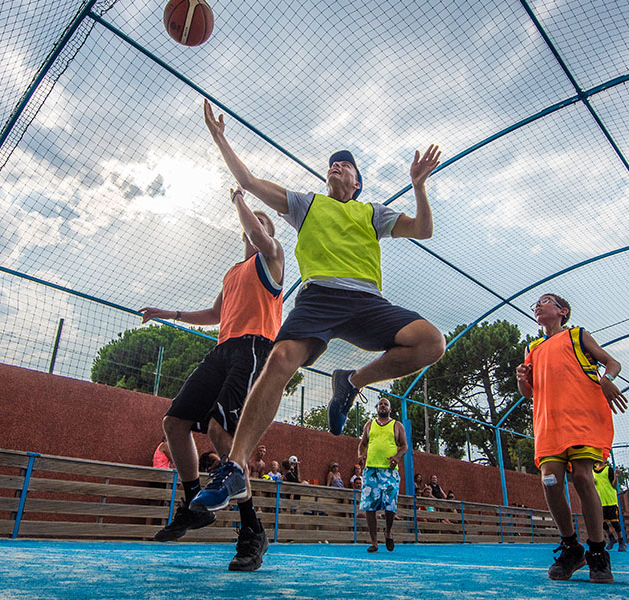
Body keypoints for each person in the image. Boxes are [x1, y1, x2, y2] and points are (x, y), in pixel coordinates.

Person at [190, 100, 446, 520]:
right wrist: (221, 139)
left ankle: (352, 380)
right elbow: (249, 181)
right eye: (332, 164)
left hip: (366, 300)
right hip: (319, 297)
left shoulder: (372, 213)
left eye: (344, 165)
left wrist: (419, 185)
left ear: (357, 180)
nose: (336, 167)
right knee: (280, 359)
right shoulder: (306, 204)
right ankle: (235, 467)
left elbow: (424, 229)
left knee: (433, 343)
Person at [143, 186, 284, 573]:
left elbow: (259, 234)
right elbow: (214, 314)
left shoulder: (272, 258)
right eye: (255, 224)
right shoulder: (232, 273)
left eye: (264, 224)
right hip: (221, 350)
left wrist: (238, 197)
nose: (258, 228)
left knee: (223, 431)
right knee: (174, 422)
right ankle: (193, 503)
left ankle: (252, 531)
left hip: (254, 348)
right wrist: (169, 312)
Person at [515, 293, 628, 584]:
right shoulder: (533, 347)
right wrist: (521, 379)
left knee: (582, 478)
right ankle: (571, 546)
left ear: (563, 311)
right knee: (549, 481)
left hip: (581, 416)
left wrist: (607, 380)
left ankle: (597, 551)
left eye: (546, 300)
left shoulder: (577, 335)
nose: (538, 305)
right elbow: (528, 393)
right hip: (548, 421)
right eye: (536, 304)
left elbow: (612, 363)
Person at [357, 397, 407, 552]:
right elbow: (363, 443)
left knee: (390, 504)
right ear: (377, 408)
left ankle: (389, 531)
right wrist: (361, 455)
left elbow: (404, 446)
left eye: (386, 404)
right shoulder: (369, 424)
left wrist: (397, 458)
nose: (383, 406)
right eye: (380, 404)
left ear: (390, 409)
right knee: (369, 506)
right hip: (371, 470)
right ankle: (374, 542)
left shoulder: (397, 425)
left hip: (389, 471)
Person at [592, 462, 626, 552]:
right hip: (600, 501)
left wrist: (616, 477)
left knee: (614, 522)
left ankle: (621, 541)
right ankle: (611, 537)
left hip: (610, 500)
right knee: (602, 522)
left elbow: (613, 486)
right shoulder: (592, 471)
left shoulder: (608, 469)